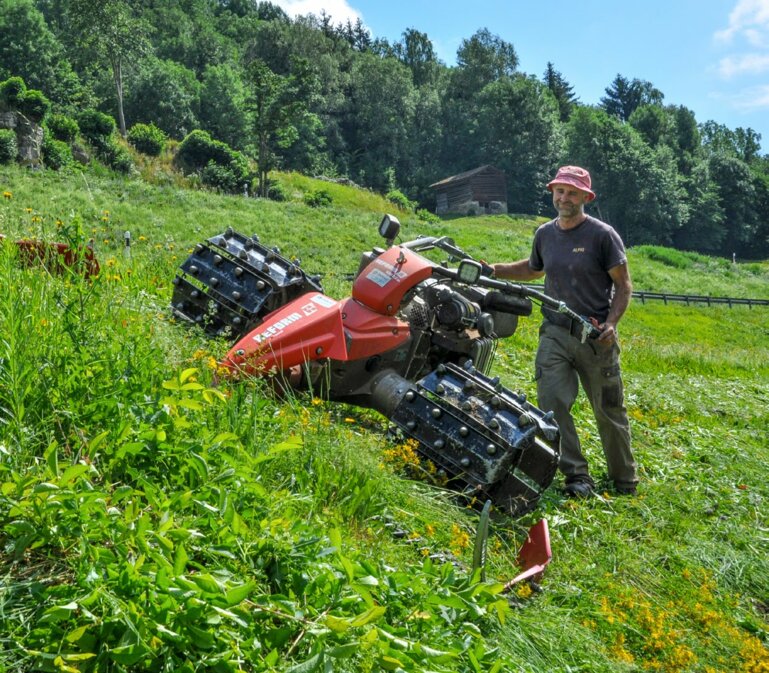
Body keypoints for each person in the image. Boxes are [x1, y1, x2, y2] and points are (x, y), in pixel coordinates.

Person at [491, 165, 638, 497]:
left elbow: (624, 286)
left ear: (586, 197)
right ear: (553, 193)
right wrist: (495, 269)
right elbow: (532, 268)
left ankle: (624, 479)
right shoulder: (545, 234)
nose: (564, 198)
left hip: (595, 337)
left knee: (609, 409)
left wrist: (612, 323)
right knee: (553, 404)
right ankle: (576, 475)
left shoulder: (602, 236)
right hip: (555, 332)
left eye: (572, 192)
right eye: (559, 191)